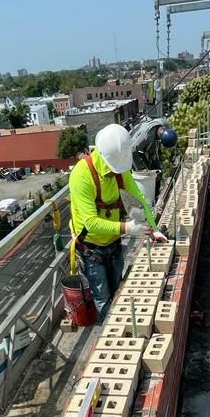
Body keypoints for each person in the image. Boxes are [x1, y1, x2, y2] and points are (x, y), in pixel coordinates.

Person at [69, 124, 164, 319]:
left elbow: (140, 199)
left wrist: (154, 229)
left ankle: (118, 321)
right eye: (114, 170)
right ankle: (108, 334)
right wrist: (128, 228)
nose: (116, 174)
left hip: (113, 243)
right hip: (91, 247)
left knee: (117, 290)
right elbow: (91, 223)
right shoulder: (81, 176)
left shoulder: (120, 169)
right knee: (102, 297)